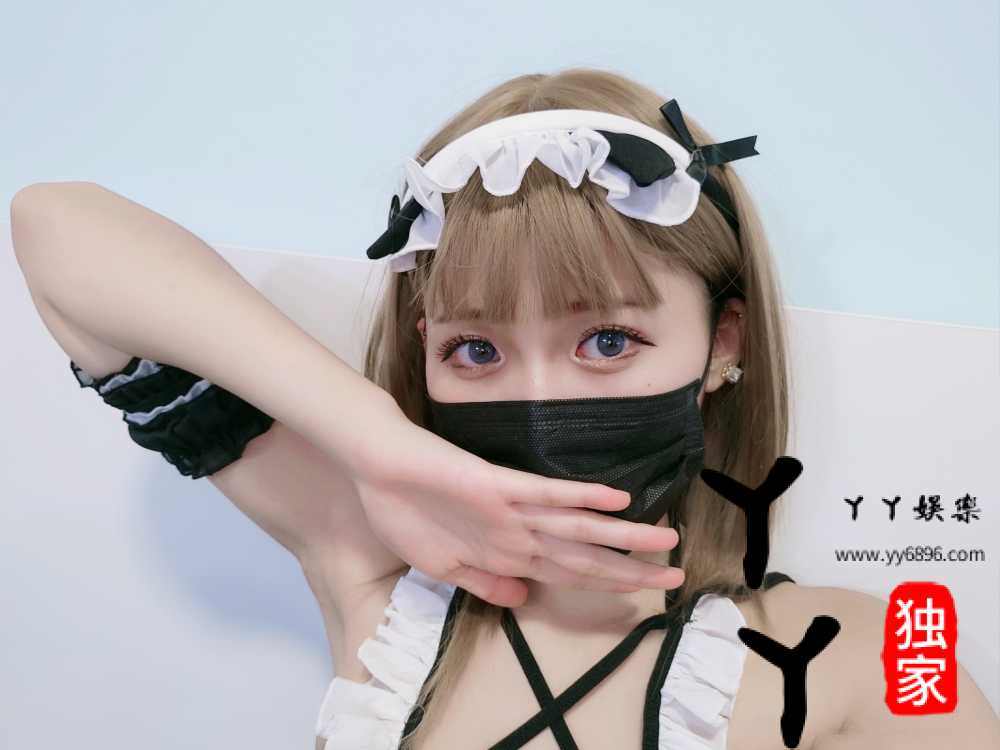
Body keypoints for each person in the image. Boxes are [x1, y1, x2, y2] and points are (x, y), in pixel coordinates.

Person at [11, 67, 999, 749]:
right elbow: (53, 227)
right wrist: (381, 447)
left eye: (606, 341)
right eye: (475, 350)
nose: (540, 397)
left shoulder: (862, 651)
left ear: (722, 344)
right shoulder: (376, 577)